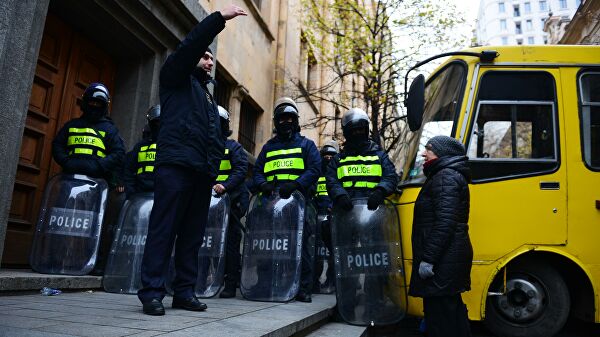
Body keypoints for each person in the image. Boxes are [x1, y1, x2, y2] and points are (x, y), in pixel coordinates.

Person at [137, 5, 247, 316]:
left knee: (192, 237)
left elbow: (214, 139)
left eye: (213, 58)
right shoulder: (175, 78)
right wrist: (216, 21)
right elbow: (189, 46)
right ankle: (152, 292)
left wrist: (211, 172)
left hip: (201, 174)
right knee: (164, 230)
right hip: (175, 167)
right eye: (205, 56)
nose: (210, 61)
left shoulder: (208, 97)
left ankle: (184, 291)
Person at [325, 108, 398, 320]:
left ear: (366, 130)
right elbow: (331, 180)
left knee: (374, 264)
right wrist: (339, 196)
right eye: (353, 130)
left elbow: (391, 177)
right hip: (346, 218)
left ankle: (373, 305)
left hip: (373, 218)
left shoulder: (379, 155)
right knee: (347, 264)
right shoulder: (338, 159)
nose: (357, 133)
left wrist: (380, 191)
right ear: (346, 132)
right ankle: (345, 307)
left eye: (360, 129)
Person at [253, 97, 321, 302]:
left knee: (300, 246)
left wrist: (297, 184)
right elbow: (257, 171)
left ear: (296, 120)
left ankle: (303, 287)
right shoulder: (268, 148)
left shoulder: (307, 145)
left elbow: (315, 169)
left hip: (298, 204)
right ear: (276, 122)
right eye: (282, 119)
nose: (286, 122)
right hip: (272, 205)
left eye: (290, 118)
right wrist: (263, 184)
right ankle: (263, 282)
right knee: (267, 244)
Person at [409, 135, 473, 337]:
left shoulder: (445, 177)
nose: (423, 152)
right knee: (449, 309)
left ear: (442, 153)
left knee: (441, 315)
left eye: (429, 148)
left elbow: (445, 224)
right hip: (447, 259)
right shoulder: (444, 175)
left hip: (443, 261)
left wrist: (428, 259)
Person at [52, 82, 125, 181]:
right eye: (92, 102)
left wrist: (99, 165)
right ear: (85, 102)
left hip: (96, 182)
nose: (94, 105)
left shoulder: (110, 129)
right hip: (69, 179)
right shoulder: (71, 125)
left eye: (98, 103)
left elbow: (118, 153)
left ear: (104, 106)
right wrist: (66, 161)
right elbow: (57, 144)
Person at [213, 106, 249, 299]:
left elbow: (241, 170)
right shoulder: (206, 147)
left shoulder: (233, 147)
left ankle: (230, 283)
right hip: (209, 206)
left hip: (232, 205)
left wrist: (224, 186)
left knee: (231, 245)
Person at [313, 141, 338, 291]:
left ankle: (331, 281)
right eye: (325, 156)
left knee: (332, 254)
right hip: (317, 218)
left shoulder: (336, 174)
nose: (328, 158)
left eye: (331, 156)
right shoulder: (317, 175)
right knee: (317, 254)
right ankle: (315, 282)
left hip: (332, 219)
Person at [123, 105, 160, 198]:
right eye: (155, 122)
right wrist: (131, 192)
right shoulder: (140, 146)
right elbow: (128, 169)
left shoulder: (170, 146)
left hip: (161, 196)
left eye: (160, 122)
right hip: (139, 195)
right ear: (150, 123)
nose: (158, 125)